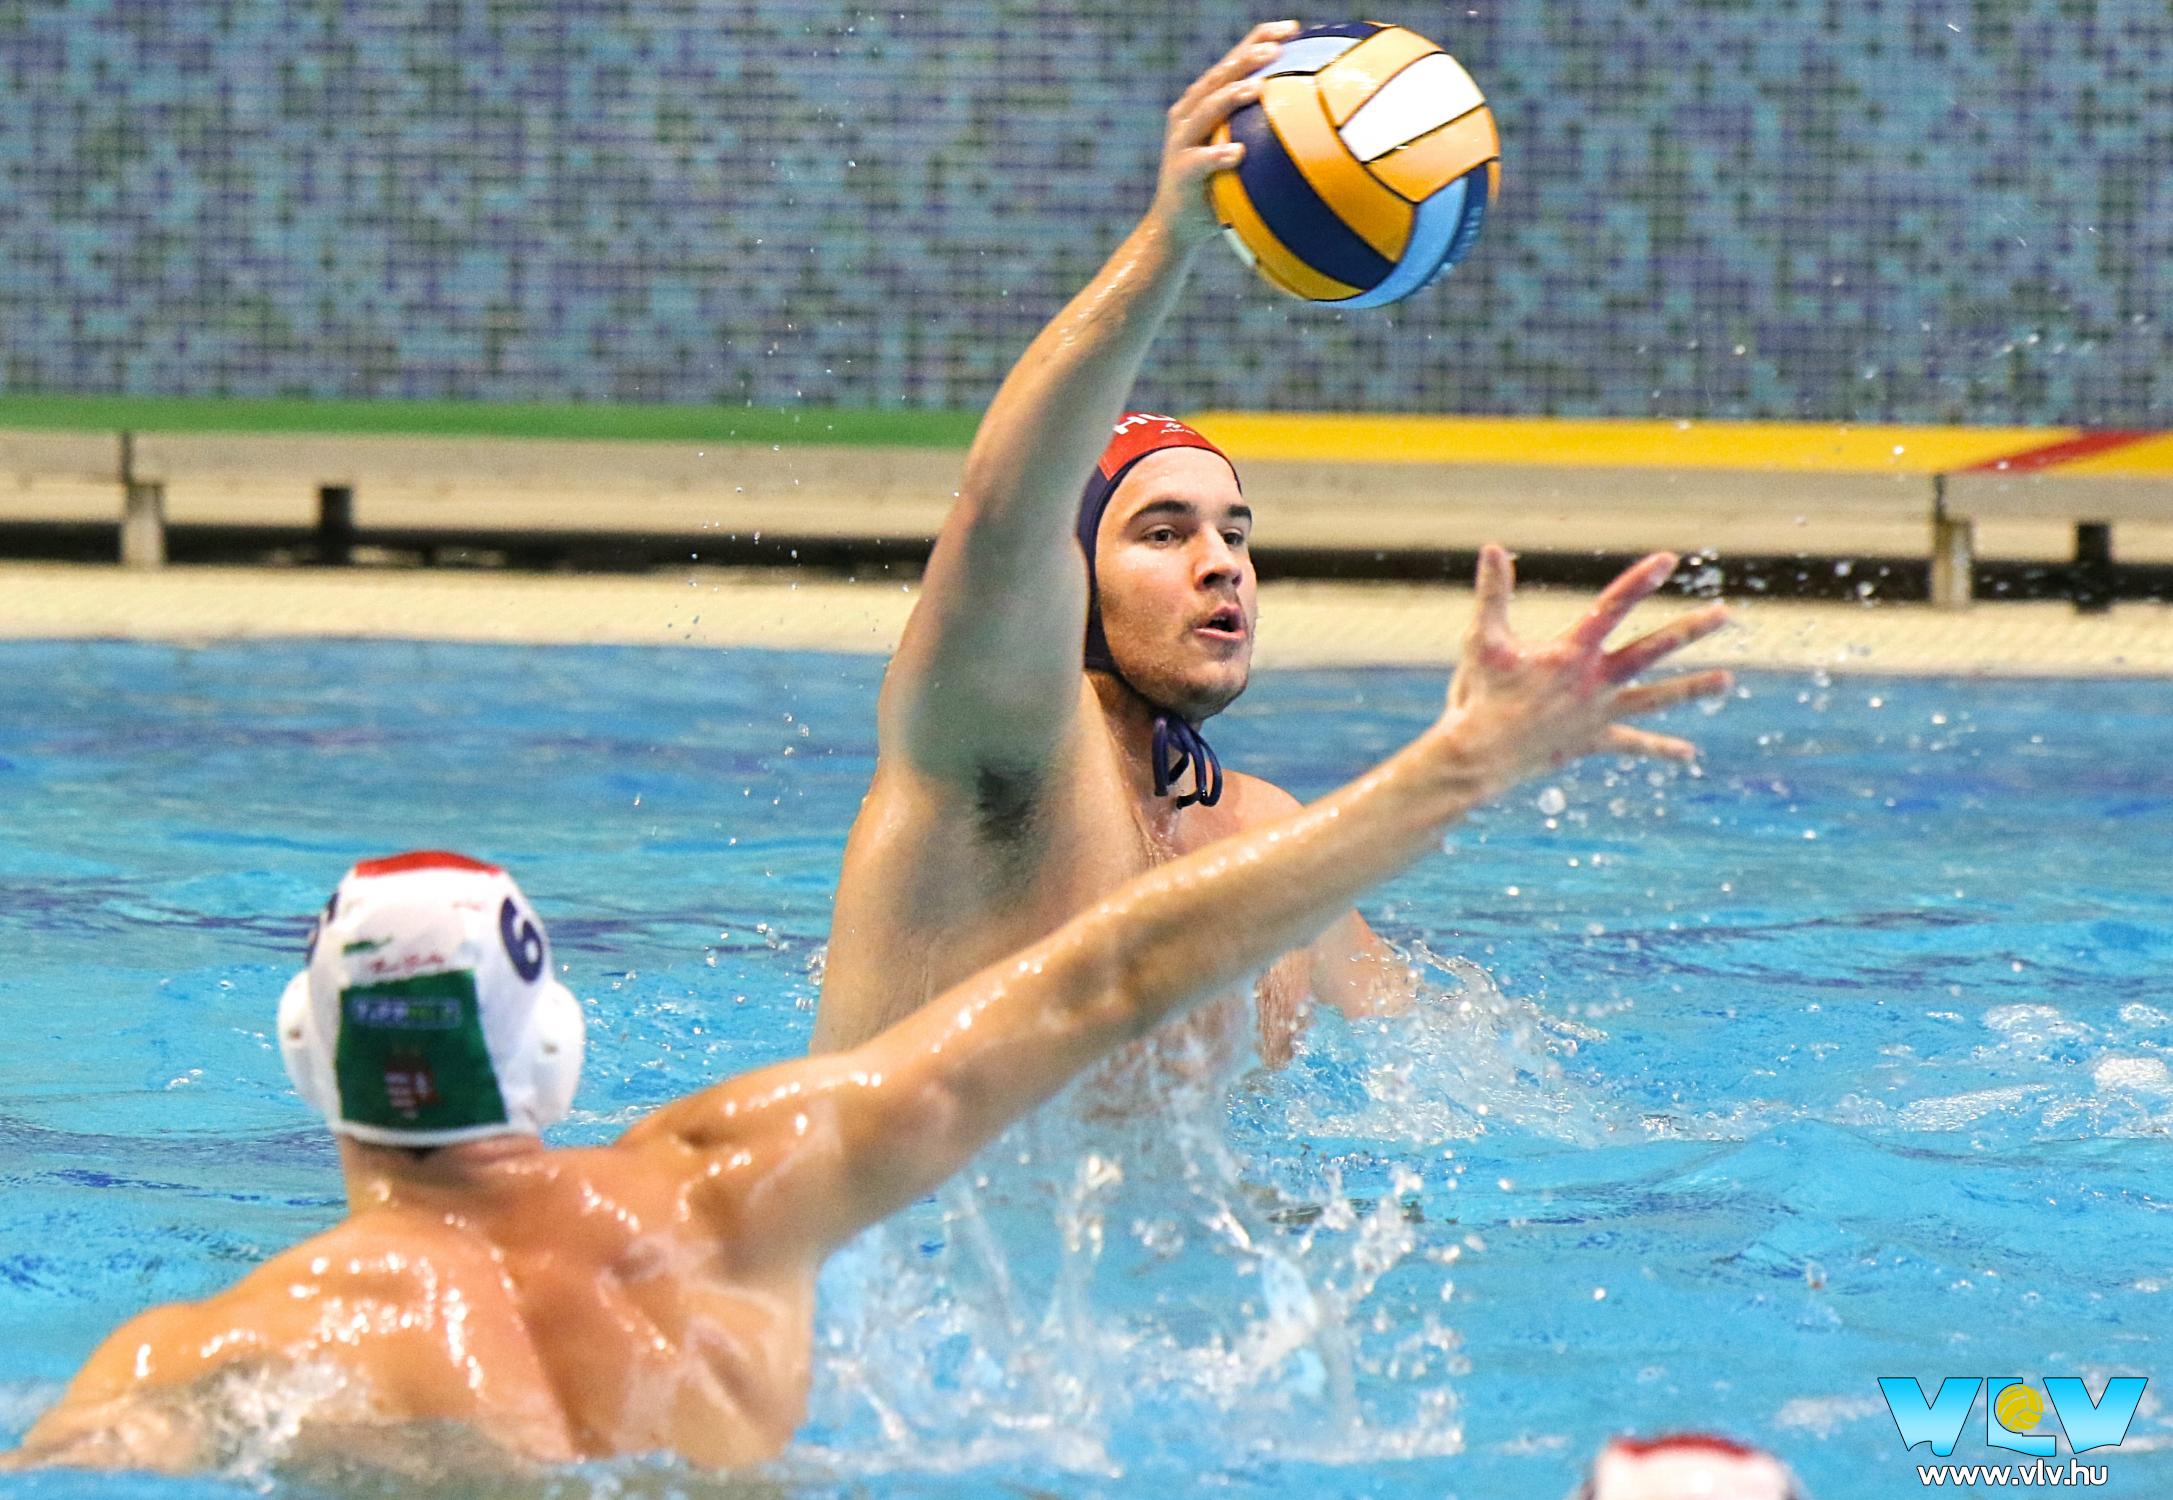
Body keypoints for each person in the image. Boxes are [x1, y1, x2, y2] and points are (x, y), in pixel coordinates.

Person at [4, 548, 1726, 1473]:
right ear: (557, 1048)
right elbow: (1120, 970)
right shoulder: (732, 1192)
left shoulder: (214, 1354)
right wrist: (1455, 765)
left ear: (303, 1061)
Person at [810, 23, 1731, 1065]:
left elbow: (1441, 1072)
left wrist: (1477, 752)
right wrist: (1167, 241)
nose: (1221, 564)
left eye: (1234, 534)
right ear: (1065, 580)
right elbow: (1001, 513)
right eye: (1162, 531)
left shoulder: (1258, 833)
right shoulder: (991, 756)